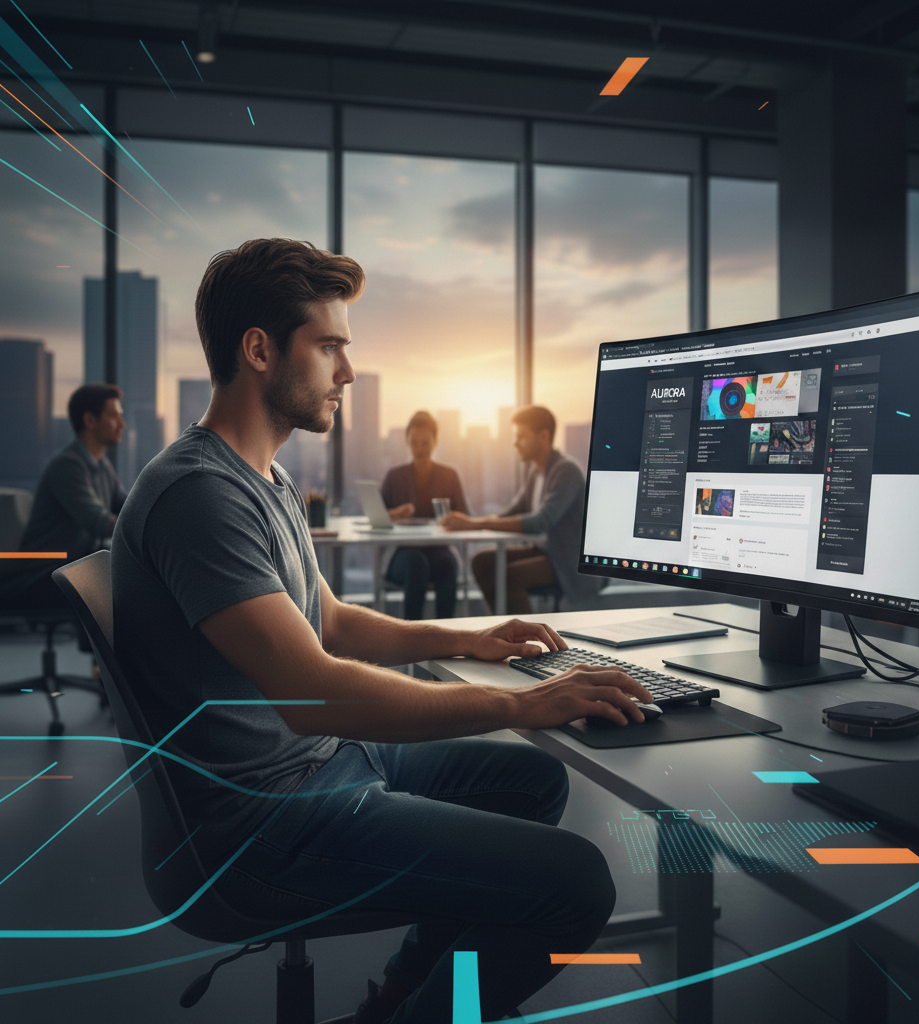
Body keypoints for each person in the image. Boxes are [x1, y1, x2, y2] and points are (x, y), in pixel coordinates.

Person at [110, 238, 652, 1024]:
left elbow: (328, 618)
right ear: (260, 351)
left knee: (533, 783)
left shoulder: (264, 477)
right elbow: (314, 694)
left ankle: (401, 994)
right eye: (329, 345)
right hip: (262, 822)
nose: (348, 372)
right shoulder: (200, 494)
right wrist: (521, 706)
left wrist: (465, 639)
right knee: (577, 884)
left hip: (317, 766)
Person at [442, 405, 603, 614]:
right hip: (546, 552)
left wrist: (476, 524)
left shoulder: (566, 471)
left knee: (510, 575)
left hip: (570, 562)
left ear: (543, 436)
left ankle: (527, 639)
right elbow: (510, 513)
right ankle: (501, 627)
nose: (515, 443)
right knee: (481, 562)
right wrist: (467, 523)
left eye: (521, 436)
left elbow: (540, 522)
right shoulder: (536, 472)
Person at [0, 383, 127, 610]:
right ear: (90, 420)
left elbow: (128, 507)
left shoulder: (102, 466)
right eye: (114, 415)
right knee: (117, 585)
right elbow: (97, 522)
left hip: (70, 570)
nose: (121, 424)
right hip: (42, 574)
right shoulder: (67, 467)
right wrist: (140, 531)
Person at [380, 410, 468, 619]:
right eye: (414, 442)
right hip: (404, 555)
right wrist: (395, 514)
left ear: (436, 442)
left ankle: (449, 638)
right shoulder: (395, 476)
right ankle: (412, 638)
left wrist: (451, 519)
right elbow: (378, 518)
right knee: (416, 563)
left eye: (425, 443)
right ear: (407, 441)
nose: (419, 449)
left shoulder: (449, 475)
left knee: (447, 564)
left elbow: (464, 515)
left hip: (439, 551)